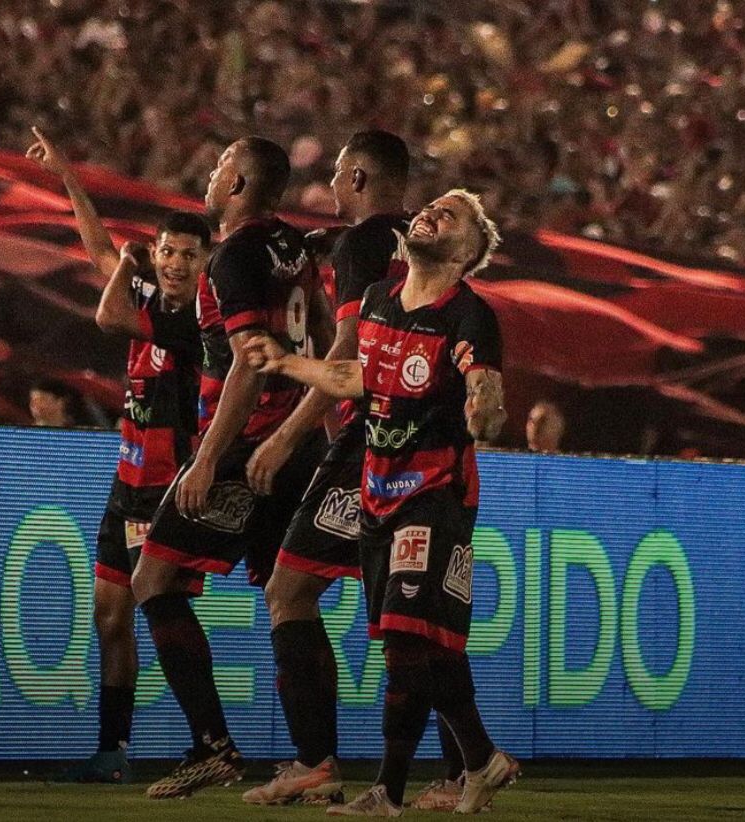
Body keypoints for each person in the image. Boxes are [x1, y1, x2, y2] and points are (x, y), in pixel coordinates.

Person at [245, 190, 519, 816]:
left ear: (467, 252)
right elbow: (356, 378)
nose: (430, 213)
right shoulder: (378, 300)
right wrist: (286, 363)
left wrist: (485, 409)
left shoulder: (469, 314)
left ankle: (389, 793)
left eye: (450, 215)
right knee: (419, 646)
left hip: (435, 491)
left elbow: (484, 386)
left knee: (404, 635)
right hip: (377, 490)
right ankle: (481, 760)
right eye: (431, 206)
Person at [130, 137, 331, 800]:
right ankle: (316, 763)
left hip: (248, 446)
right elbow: (323, 336)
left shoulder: (235, 255)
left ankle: (212, 747)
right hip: (298, 441)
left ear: (239, 182)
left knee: (154, 579)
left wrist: (209, 459)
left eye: (220, 165)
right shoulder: (292, 246)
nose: (211, 173)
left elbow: (249, 359)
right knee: (289, 597)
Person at [27, 127, 212, 783]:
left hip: (166, 490)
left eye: (189, 254)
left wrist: (131, 266)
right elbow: (100, 250)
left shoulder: (197, 323)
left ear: (205, 262)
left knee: (162, 614)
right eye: (168, 251)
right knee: (111, 617)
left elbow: (108, 315)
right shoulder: (148, 291)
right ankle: (114, 752)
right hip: (126, 483)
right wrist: (68, 177)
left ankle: (210, 742)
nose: (176, 263)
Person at [241, 129, 414, 805]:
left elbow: (348, 353)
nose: (334, 185)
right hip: (422, 440)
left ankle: (316, 761)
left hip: (370, 438)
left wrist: (287, 436)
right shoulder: (419, 239)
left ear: (361, 178)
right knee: (410, 616)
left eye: (341, 174)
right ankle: (468, 763)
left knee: (289, 591)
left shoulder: (359, 243)